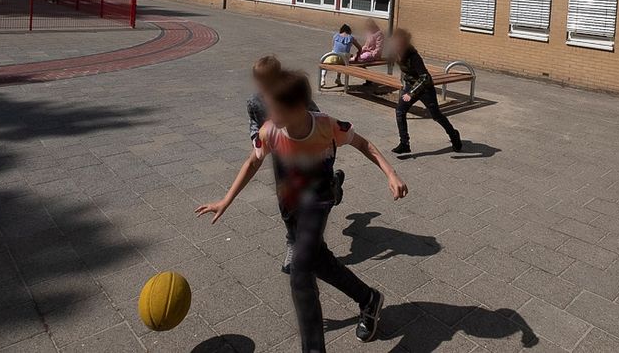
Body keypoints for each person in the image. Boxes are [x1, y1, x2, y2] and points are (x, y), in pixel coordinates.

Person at [197, 70, 407, 350]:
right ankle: (369, 299)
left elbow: (363, 144)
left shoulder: (326, 125)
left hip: (318, 202)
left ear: (296, 107)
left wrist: (391, 174)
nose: (269, 112)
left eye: (275, 107)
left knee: (300, 271)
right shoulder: (270, 130)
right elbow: (252, 163)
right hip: (291, 206)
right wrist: (226, 200)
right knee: (319, 261)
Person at [245, 56, 341, 274]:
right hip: (280, 153)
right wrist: (256, 140)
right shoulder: (254, 101)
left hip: (308, 151)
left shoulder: (290, 95)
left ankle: (331, 188)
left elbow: (315, 115)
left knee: (314, 193)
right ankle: (293, 241)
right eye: (260, 82)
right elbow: (254, 124)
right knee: (285, 200)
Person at [389, 29, 462, 155]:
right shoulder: (396, 53)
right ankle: (404, 143)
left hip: (425, 88)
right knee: (400, 111)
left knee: (436, 115)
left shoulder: (413, 56)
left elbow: (425, 77)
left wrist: (411, 93)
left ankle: (453, 134)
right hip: (410, 86)